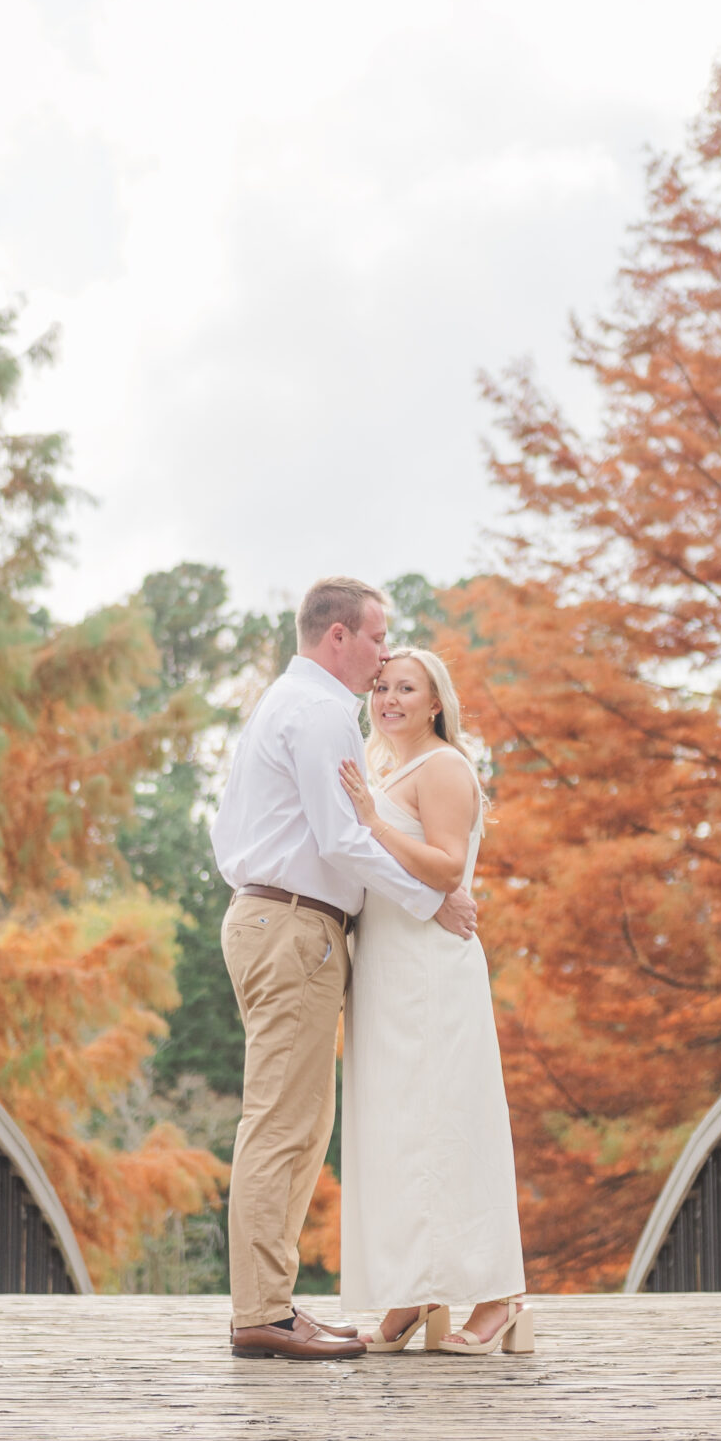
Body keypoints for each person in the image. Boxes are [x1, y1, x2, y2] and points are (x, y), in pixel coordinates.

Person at [211, 578, 480, 1360]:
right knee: (282, 1123)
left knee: (300, 1123)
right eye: (377, 637)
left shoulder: (280, 702)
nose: (384, 654)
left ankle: (273, 1304)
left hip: (272, 917)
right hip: (293, 923)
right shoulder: (324, 710)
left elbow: (233, 830)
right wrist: (432, 901)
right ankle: (263, 1312)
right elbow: (340, 838)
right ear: (339, 637)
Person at [336, 647, 531, 1356]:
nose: (389, 698)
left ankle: (497, 1294)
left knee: (450, 1122)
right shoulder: (384, 768)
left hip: (430, 970)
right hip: (386, 969)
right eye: (382, 686)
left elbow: (448, 868)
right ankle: (416, 1288)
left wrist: (371, 820)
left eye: (406, 688)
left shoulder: (443, 767)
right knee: (398, 1129)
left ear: (435, 702)